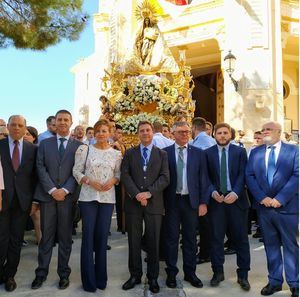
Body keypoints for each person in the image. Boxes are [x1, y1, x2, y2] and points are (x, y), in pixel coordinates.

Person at [246, 121, 299, 297]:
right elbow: (250, 176)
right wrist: (262, 198)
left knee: (290, 246)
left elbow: (297, 175)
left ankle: (294, 283)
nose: (265, 131)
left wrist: (280, 198)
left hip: (287, 208)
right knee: (271, 245)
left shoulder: (293, 151)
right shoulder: (255, 152)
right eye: (263, 129)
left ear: (278, 132)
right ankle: (275, 281)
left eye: (268, 129)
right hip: (265, 208)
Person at [31, 110, 82, 290]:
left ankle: (63, 274)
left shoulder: (79, 146)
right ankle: (41, 273)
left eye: (65, 120)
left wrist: (65, 190)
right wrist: (53, 190)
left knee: (65, 238)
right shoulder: (44, 144)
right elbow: (40, 167)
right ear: (55, 122)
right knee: (46, 238)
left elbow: (78, 170)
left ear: (70, 122)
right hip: (48, 197)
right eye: (59, 119)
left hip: (67, 199)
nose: (62, 122)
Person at [73, 119, 122, 292]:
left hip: (107, 199)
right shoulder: (84, 149)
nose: (101, 134)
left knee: (102, 237)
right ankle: (88, 281)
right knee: (88, 237)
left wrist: (113, 180)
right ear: (94, 133)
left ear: (110, 133)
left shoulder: (116, 154)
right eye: (98, 131)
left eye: (104, 131)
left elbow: (118, 173)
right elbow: (76, 171)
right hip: (88, 198)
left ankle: (101, 278)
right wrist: (88, 181)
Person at [121, 121, 169, 294]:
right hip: (133, 204)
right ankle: (135, 275)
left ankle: (153, 277)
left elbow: (165, 177)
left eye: (148, 130)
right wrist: (137, 194)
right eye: (142, 131)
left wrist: (149, 193)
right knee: (133, 241)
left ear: (152, 132)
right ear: (138, 133)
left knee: (153, 242)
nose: (145, 133)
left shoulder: (161, 154)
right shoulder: (130, 153)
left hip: (154, 203)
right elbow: (125, 175)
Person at [205, 123, 251, 291]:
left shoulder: (240, 152)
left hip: (237, 202)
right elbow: (205, 176)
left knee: (241, 240)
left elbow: (243, 174)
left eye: (225, 133)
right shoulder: (207, 154)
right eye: (219, 133)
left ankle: (243, 275)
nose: (222, 136)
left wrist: (236, 192)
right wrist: (211, 191)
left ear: (230, 135)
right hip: (217, 202)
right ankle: (218, 272)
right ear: (214, 135)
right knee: (216, 239)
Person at [163, 121, 208, 289]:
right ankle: (171, 274)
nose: (185, 134)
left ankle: (190, 273)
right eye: (181, 132)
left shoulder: (198, 153)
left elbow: (204, 180)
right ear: (173, 134)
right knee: (171, 239)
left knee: (190, 239)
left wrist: (203, 202)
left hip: (191, 202)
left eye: (187, 131)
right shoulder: (164, 153)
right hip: (172, 202)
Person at [0, 115, 37, 292]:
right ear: (7, 126)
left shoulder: (32, 149)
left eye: (20, 125)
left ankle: (10, 275)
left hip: (22, 202)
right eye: (13, 124)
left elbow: (34, 177)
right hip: (1, 202)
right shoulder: (0, 146)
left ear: (25, 128)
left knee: (16, 240)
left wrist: (35, 201)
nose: (16, 128)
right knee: (1, 239)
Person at [191, 117, 215, 265]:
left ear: (193, 128)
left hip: (204, 188)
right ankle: (206, 249)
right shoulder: (210, 140)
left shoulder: (201, 143)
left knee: (205, 223)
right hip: (210, 187)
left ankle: (206, 253)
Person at [23, 126, 42, 244]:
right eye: (23, 133)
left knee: (36, 215)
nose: (25, 136)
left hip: (33, 189)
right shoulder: (17, 149)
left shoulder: (37, 150)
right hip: (20, 189)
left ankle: (41, 242)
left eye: (28, 134)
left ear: (34, 137)